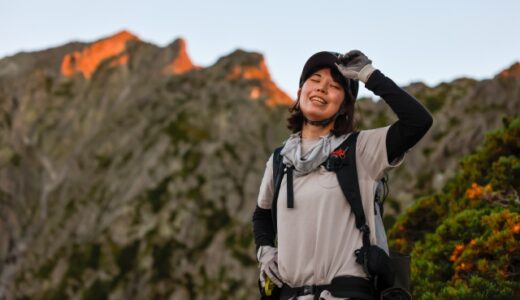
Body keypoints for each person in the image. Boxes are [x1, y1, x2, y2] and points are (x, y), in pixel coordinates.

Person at [252, 50, 433, 300]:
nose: (321, 88)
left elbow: (418, 121)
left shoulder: (361, 149)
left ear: (344, 106)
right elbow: (261, 214)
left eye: (334, 86)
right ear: (300, 91)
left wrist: (369, 75)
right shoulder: (279, 160)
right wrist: (265, 250)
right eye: (314, 80)